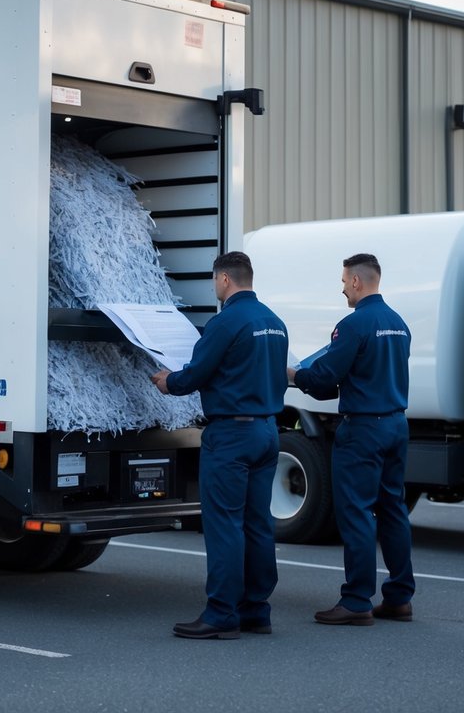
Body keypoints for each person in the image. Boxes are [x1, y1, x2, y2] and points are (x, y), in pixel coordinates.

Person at [151, 251, 289, 639]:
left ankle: (221, 614)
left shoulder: (225, 322)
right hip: (266, 431)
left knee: (224, 525)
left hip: (231, 436)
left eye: (215, 282)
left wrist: (168, 382)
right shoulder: (274, 323)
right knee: (257, 523)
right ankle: (256, 611)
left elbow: (196, 373)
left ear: (224, 280)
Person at [288, 253, 416, 626]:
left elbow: (327, 376)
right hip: (396, 424)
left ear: (358, 282)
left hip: (363, 429)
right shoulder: (399, 323)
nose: (342, 286)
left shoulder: (353, 325)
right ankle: (399, 597)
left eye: (344, 280)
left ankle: (357, 600)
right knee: (393, 509)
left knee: (357, 510)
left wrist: (296, 376)